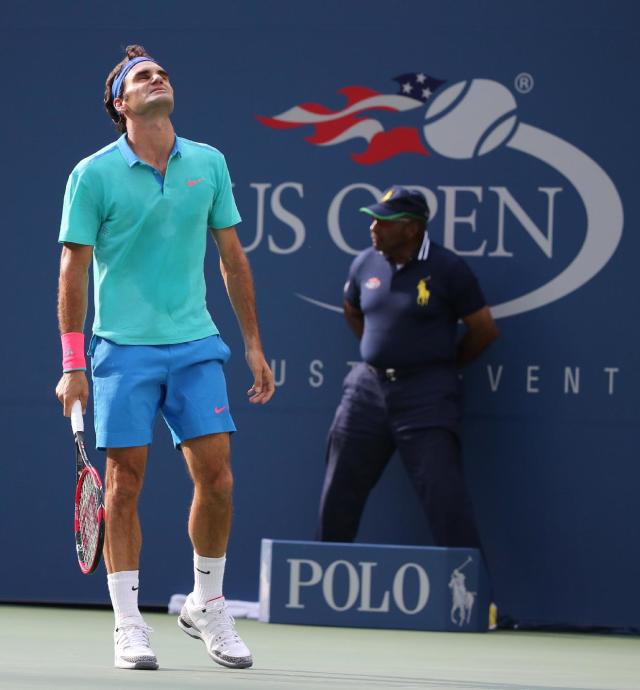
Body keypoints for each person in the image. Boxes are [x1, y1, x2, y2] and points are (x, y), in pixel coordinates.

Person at [55, 45, 274, 671]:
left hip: (195, 343)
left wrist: (254, 344)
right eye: (141, 77)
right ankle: (129, 623)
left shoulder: (208, 163)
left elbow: (233, 260)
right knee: (124, 485)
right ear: (120, 104)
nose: (157, 79)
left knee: (219, 478)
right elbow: (74, 268)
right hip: (122, 351)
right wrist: (74, 363)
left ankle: (208, 603)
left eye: (162, 73)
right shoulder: (92, 174)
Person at [318, 186, 498, 549]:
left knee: (444, 498)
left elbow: (484, 330)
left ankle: (471, 602)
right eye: (372, 220)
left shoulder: (449, 269)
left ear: (412, 229)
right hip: (366, 391)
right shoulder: (364, 262)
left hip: (427, 396)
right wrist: (382, 352)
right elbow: (352, 309)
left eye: (384, 222)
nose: (373, 227)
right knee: (339, 492)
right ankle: (323, 591)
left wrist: (438, 364)